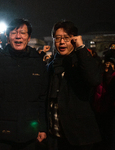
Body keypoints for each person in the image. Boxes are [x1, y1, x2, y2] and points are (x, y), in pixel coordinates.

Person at [0, 18, 48, 150]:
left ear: (29, 38)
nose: (18, 36)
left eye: (22, 33)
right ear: (7, 37)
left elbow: (42, 98)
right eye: (13, 32)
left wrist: (42, 127)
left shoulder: (38, 63)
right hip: (2, 134)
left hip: (29, 133)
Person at [47, 20, 102, 150]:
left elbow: (94, 79)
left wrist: (81, 48)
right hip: (55, 134)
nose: (61, 42)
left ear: (74, 39)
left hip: (79, 136)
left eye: (66, 38)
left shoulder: (83, 62)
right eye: (58, 38)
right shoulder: (52, 65)